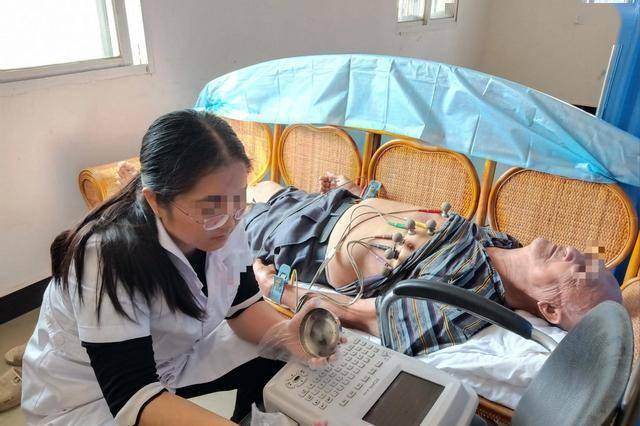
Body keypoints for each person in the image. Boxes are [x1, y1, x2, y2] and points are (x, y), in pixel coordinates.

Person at [21, 111, 337, 426]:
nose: (229, 222)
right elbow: (133, 399)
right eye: (211, 208)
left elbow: (243, 308)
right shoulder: (106, 258)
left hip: (169, 358)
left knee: (277, 360)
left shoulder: (225, 219)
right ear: (156, 201)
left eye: (239, 200)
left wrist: (286, 334)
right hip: (89, 399)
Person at [245, 175, 622, 356]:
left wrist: (280, 289)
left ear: (550, 309)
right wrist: (361, 197)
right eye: (590, 259)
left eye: (580, 274)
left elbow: (365, 315)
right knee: (262, 185)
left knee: (228, 203)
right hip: (333, 202)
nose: (576, 254)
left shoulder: (465, 304)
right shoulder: (504, 243)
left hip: (301, 239)